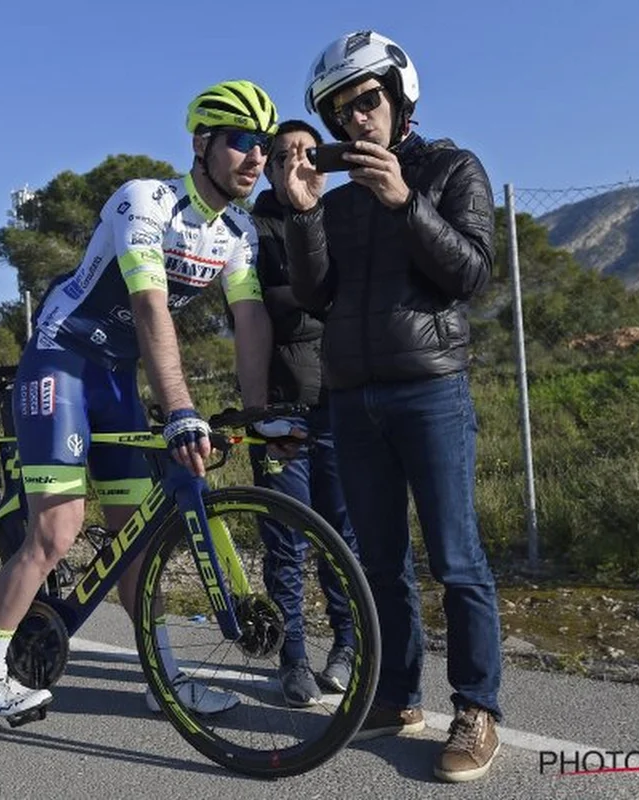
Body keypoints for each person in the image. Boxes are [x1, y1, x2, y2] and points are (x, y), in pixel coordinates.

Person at [0, 80, 279, 722]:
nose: (256, 157)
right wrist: (182, 407)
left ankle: (162, 679)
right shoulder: (146, 201)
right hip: (63, 358)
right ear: (202, 143)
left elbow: (249, 323)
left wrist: (259, 413)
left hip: (114, 377)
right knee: (58, 529)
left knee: (134, 544)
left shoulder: (238, 234)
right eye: (242, 141)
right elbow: (147, 303)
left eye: (265, 146)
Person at [280, 31, 504, 782]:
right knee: (378, 558)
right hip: (351, 395)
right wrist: (305, 213)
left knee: (456, 556)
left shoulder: (452, 169)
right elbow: (314, 297)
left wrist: (406, 202)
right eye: (342, 111)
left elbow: (469, 273)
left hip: (430, 387)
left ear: (399, 95)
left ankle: (476, 707)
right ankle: (396, 694)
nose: (356, 120)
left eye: (367, 100)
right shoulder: (337, 204)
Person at [236, 118, 363, 708]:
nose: (294, 162)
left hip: (339, 402)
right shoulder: (252, 226)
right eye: (282, 152)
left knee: (344, 536)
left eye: (306, 152)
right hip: (282, 409)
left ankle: (346, 647)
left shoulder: (337, 217)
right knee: (286, 543)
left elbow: (344, 299)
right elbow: (264, 311)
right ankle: (292, 660)